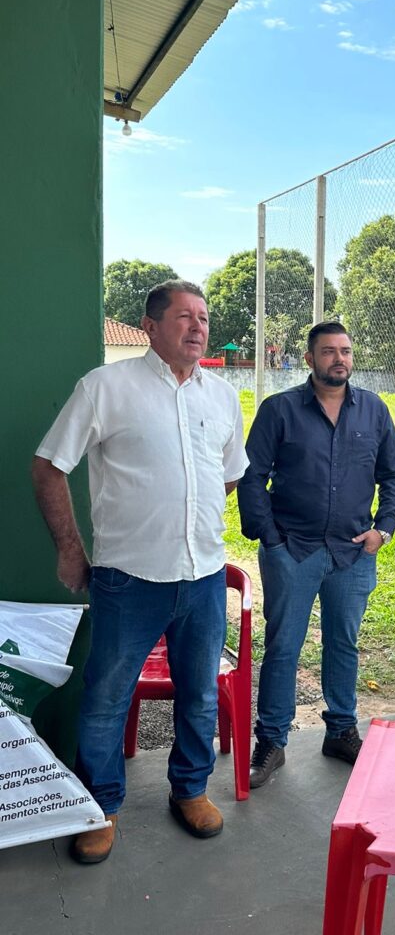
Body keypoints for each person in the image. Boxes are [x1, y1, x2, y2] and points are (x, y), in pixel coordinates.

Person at [32, 280, 249, 864]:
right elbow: (50, 467)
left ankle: (191, 790)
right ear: (151, 327)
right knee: (105, 697)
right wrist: (70, 549)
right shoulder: (106, 388)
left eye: (203, 317)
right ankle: (99, 807)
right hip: (127, 579)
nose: (198, 327)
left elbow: (229, 473)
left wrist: (186, 511)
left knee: (199, 694)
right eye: (184, 317)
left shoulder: (222, 395)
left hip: (202, 576)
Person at [238, 321, 395, 787]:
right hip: (293, 549)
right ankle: (272, 741)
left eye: (346, 351)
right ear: (310, 358)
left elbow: (394, 474)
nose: (340, 359)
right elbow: (251, 477)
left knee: (343, 642)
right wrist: (269, 537)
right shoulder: (280, 410)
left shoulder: (373, 410)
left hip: (353, 552)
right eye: (329, 351)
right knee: (284, 646)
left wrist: (384, 530)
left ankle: (340, 730)